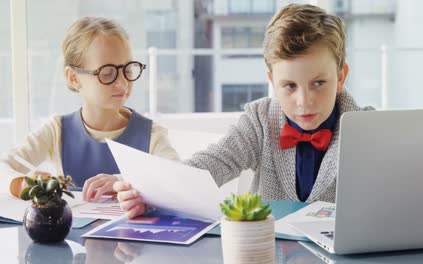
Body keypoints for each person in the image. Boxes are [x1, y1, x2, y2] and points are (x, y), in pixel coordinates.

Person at [114, 3, 373, 218]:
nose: (304, 101)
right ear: (272, 81)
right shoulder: (259, 121)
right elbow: (206, 167)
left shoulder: (367, 127)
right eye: (289, 86)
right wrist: (148, 195)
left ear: (341, 78)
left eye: (319, 83)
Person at [1, 17, 178, 201]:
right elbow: (3, 166)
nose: (122, 82)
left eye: (127, 70)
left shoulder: (152, 134)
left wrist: (121, 181)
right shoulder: (57, 131)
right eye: (107, 73)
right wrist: (22, 184)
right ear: (73, 78)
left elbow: (177, 178)